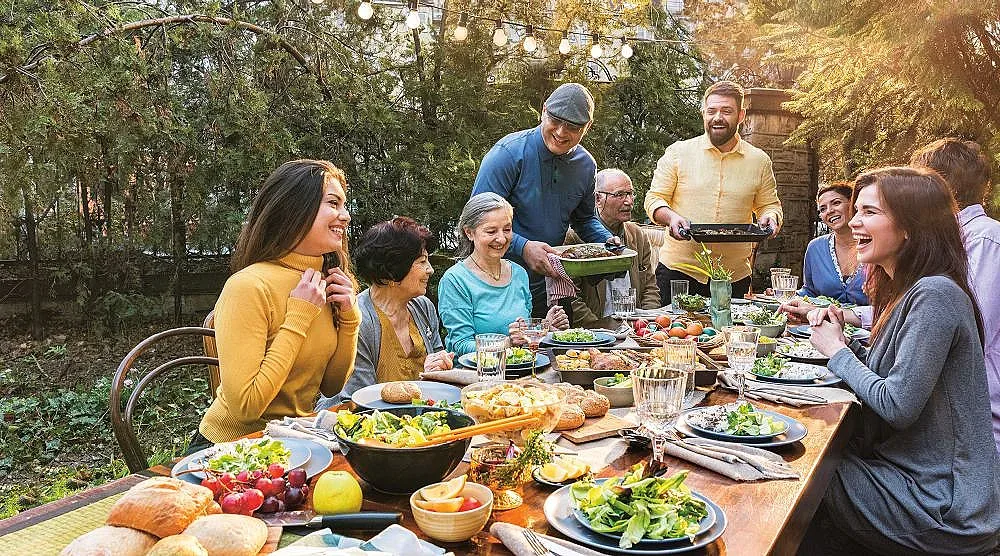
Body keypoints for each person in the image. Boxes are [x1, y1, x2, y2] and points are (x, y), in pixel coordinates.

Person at [799, 167, 999, 555]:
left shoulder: (936, 293)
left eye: (869, 212)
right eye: (856, 210)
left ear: (911, 226)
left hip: (945, 506)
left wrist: (837, 352)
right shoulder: (908, 291)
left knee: (805, 470)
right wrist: (845, 343)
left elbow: (897, 404)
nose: (854, 222)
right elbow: (889, 373)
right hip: (916, 481)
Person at [197, 160, 360, 444]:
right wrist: (298, 317)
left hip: (297, 440)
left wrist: (349, 318)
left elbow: (331, 385)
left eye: (344, 206)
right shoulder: (248, 286)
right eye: (333, 203)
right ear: (295, 209)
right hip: (233, 449)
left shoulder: (324, 281)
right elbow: (246, 407)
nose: (345, 216)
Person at [472, 83, 619, 318]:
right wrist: (523, 247)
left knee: (562, 352)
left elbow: (585, 218)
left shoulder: (586, 165)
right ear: (543, 112)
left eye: (572, 126)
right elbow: (478, 219)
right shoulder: (508, 154)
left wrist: (608, 244)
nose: (561, 132)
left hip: (552, 285)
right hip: (498, 283)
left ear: (587, 127)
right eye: (555, 120)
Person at [644, 80, 782, 302]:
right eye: (712, 111)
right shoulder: (678, 152)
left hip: (733, 276)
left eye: (726, 111)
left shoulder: (759, 160)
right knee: (673, 336)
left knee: (728, 335)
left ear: (741, 115)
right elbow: (654, 199)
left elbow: (770, 205)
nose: (718, 117)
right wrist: (671, 217)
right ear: (703, 114)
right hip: (679, 272)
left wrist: (770, 217)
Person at [911, 137, 1000, 452]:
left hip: (977, 428)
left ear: (937, 187)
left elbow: (969, 331)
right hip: (949, 413)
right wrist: (850, 315)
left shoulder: (987, 241)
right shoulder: (953, 240)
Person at [316, 217, 454, 407]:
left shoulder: (423, 307)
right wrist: (424, 383)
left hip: (418, 422)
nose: (430, 269)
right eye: (422, 262)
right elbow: (359, 401)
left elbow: (440, 371)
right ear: (391, 272)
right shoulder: (358, 319)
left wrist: (440, 367)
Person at [438, 193, 568, 356]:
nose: (501, 238)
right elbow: (461, 346)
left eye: (507, 229)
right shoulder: (455, 280)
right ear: (469, 233)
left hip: (519, 371)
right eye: (491, 231)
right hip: (477, 376)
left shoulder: (519, 273)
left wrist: (544, 327)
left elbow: (520, 332)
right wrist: (508, 342)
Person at [565, 168, 660, 328]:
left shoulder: (637, 235)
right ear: (597, 199)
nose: (629, 201)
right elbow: (571, 297)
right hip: (597, 331)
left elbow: (650, 287)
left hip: (637, 328)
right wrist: (599, 328)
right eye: (620, 195)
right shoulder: (574, 238)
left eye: (630, 194)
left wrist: (648, 324)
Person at [797, 182, 868, 305]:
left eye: (836, 203)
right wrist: (783, 295)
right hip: (824, 322)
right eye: (823, 209)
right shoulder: (815, 248)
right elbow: (809, 292)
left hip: (871, 323)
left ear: (853, 205)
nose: (829, 211)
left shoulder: (875, 245)